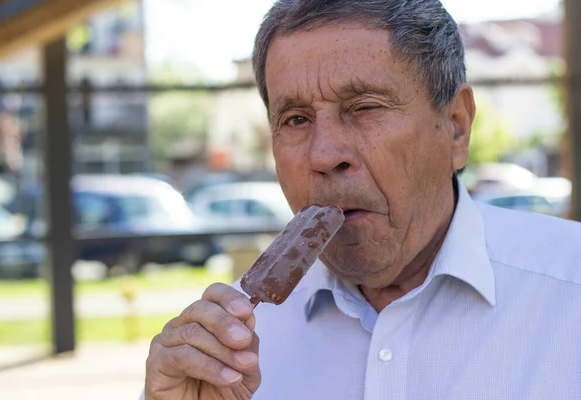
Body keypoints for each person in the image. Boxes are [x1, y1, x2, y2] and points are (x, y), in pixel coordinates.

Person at [142, 1, 581, 399]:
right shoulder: (223, 349)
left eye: (365, 107)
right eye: (295, 119)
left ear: (456, 127)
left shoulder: (569, 290)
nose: (324, 155)